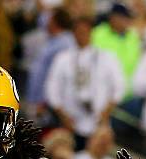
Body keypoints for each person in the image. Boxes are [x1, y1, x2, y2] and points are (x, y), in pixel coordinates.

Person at [45, 16, 125, 146]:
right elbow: (52, 88)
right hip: (70, 122)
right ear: (73, 33)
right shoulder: (63, 58)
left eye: (85, 31)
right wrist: (63, 116)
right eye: (78, 31)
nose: (82, 34)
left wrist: (106, 113)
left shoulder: (107, 57)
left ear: (91, 33)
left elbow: (119, 87)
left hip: (98, 123)